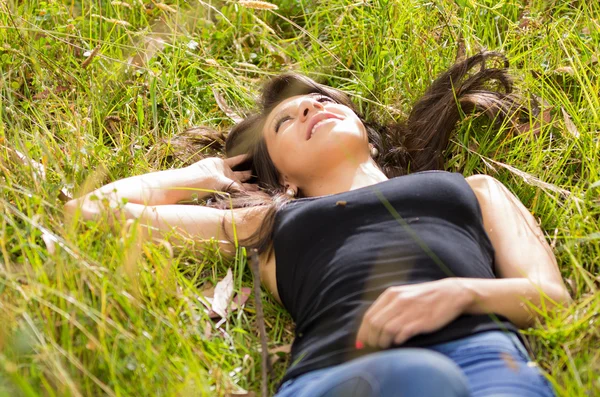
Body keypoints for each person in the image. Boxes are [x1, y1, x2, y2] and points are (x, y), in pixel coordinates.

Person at [65, 51, 571, 396]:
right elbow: (90, 212)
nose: (312, 105)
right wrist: (205, 173)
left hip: (486, 360)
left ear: (367, 136)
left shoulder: (474, 189)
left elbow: (550, 297)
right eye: (285, 121)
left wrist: (460, 294)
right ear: (281, 175)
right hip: (341, 373)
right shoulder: (267, 223)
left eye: (325, 101)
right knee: (423, 378)